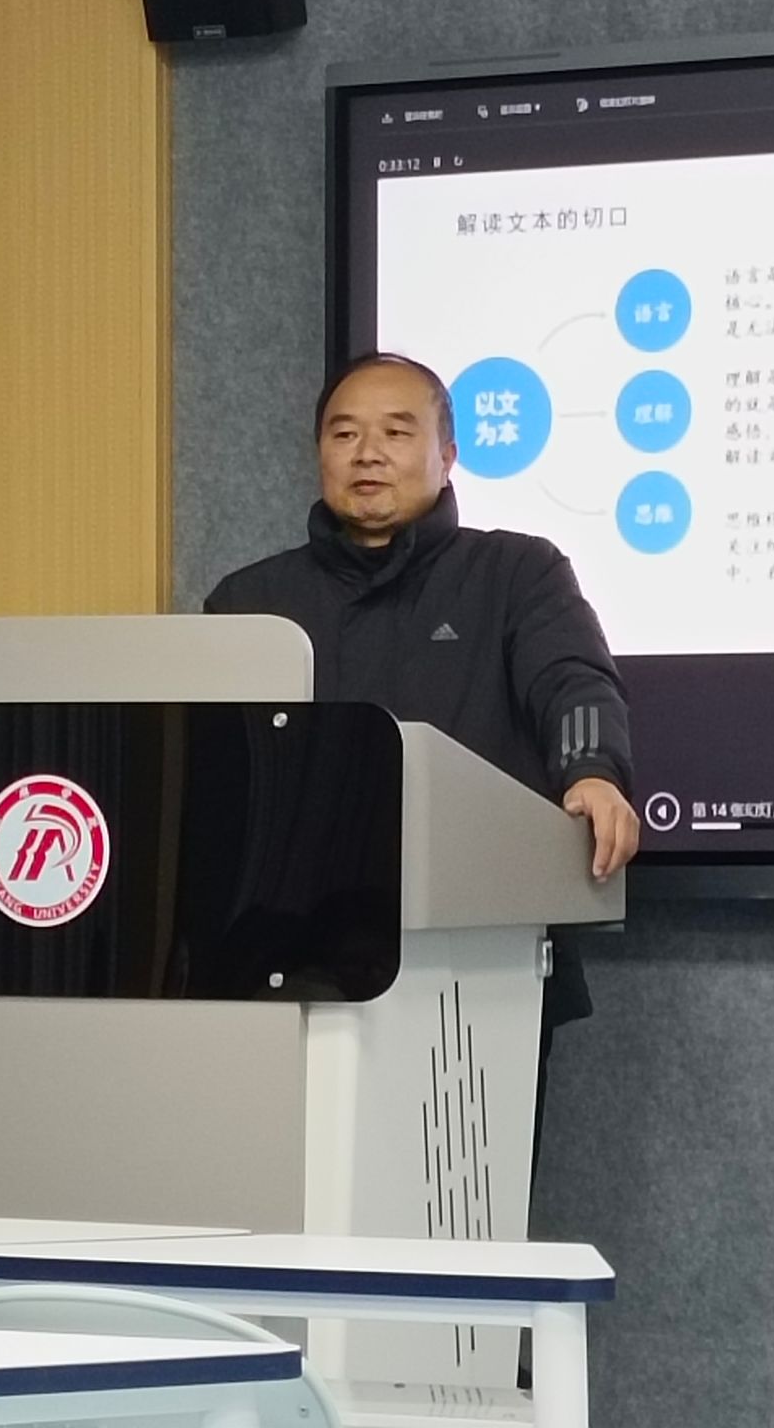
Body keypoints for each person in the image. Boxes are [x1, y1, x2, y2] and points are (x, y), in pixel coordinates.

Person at [204, 350, 638, 1177]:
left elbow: (573, 680)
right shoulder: (249, 602)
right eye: (344, 434)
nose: (368, 453)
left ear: (447, 454)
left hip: (478, 961)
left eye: (397, 432)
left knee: (463, 1205)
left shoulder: (516, 572)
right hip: (289, 968)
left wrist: (593, 770)